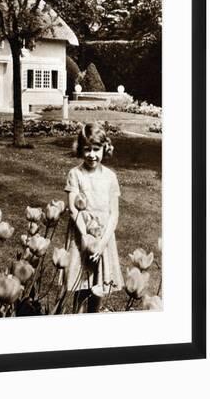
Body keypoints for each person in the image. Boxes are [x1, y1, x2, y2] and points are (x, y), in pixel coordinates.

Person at [64, 122, 124, 313]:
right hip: (82, 236)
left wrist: (102, 243)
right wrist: (86, 237)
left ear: (104, 149)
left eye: (96, 149)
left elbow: (114, 214)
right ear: (80, 150)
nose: (92, 154)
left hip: (103, 239)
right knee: (81, 286)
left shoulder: (110, 177)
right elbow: (74, 209)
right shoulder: (75, 174)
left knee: (98, 289)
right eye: (87, 149)